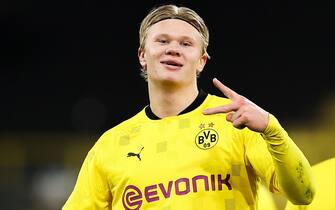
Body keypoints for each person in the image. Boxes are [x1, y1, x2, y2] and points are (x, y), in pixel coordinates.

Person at [62, 4, 315, 210]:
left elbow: (304, 194)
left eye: (186, 44)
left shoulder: (237, 122)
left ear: (201, 61)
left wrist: (272, 128)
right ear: (142, 55)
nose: (173, 49)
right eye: (162, 41)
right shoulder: (110, 146)